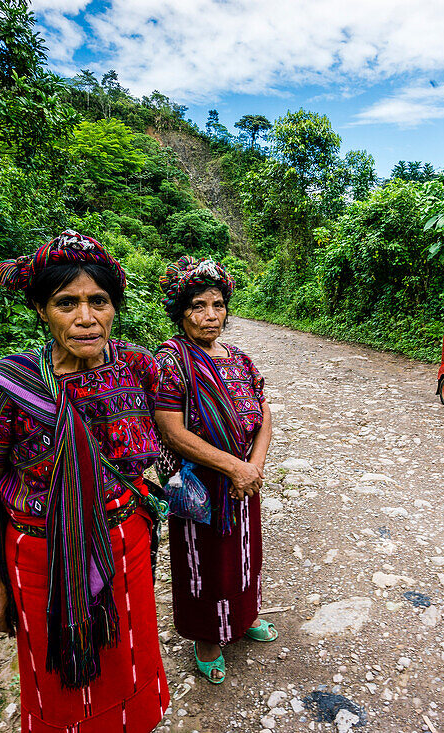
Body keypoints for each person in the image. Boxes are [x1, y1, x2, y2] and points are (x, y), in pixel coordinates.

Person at [0, 230, 169, 733]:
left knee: (130, 655)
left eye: (98, 301)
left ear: (114, 306)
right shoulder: (8, 387)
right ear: (41, 309)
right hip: (42, 556)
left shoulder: (136, 365)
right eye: (66, 303)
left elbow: (174, 427)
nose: (85, 318)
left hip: (126, 542)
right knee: (61, 675)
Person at [152, 256, 274, 685]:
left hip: (244, 482)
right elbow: (170, 430)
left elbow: (263, 415)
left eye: (218, 305)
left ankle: (243, 618)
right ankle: (207, 638)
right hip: (200, 486)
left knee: (244, 554)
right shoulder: (171, 361)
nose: (210, 316)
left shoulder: (240, 359)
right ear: (181, 312)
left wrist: (252, 468)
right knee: (202, 562)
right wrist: (231, 467)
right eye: (198, 306)